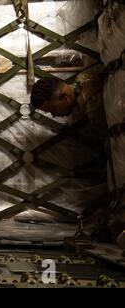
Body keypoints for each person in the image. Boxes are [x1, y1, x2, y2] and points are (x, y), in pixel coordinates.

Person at [30, 65, 124, 242]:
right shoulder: (86, 76)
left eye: (52, 109)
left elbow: (114, 144)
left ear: (63, 96)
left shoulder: (92, 108)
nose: (55, 115)